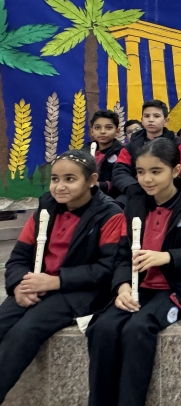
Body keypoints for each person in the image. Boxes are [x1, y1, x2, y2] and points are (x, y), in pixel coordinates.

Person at [87, 139, 181, 406]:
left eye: (156, 171)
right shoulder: (134, 201)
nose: (147, 179)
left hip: (179, 288)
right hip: (139, 285)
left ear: (176, 170)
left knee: (138, 328)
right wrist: (122, 286)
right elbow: (123, 253)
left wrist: (167, 257)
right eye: (141, 171)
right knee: (103, 327)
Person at [0, 151, 123, 403]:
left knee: (24, 332)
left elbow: (108, 268)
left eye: (70, 179)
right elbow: (19, 257)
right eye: (55, 179)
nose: (60, 186)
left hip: (79, 291)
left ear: (92, 180)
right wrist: (18, 286)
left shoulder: (110, 214)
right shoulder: (45, 208)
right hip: (40, 284)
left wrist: (56, 281)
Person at [112, 100, 181, 201]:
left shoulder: (177, 144)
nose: (151, 120)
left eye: (156, 116)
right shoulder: (131, 145)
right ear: (142, 120)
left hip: (168, 192)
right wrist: (134, 188)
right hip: (137, 191)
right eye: (147, 116)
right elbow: (120, 171)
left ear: (166, 121)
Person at [86, 109, 124, 198]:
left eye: (108, 128)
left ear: (117, 131)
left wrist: (100, 185)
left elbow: (123, 181)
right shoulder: (84, 151)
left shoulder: (123, 152)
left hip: (112, 198)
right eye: (97, 128)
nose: (102, 131)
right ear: (92, 131)